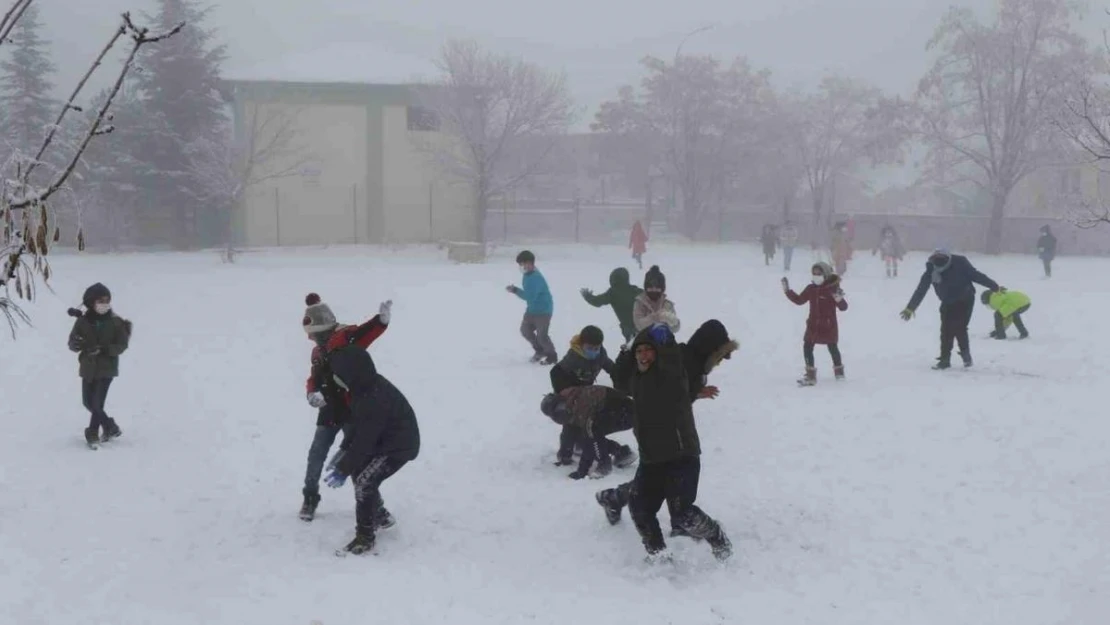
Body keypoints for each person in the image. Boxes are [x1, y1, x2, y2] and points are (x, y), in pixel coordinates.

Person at [593, 324, 731, 562]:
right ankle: (658, 555)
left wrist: (663, 338)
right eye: (640, 352)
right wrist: (628, 350)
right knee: (639, 508)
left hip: (681, 455)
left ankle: (716, 537)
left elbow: (673, 360)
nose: (644, 355)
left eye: (649, 350)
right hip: (652, 457)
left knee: (682, 514)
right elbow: (619, 378)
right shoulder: (637, 380)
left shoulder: (670, 371)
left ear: (658, 353)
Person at [314, 300, 420, 556]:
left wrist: (343, 466)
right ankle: (380, 515)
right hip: (384, 439)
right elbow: (357, 433)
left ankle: (365, 537)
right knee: (360, 471)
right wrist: (343, 452)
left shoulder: (372, 398)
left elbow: (365, 440)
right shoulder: (362, 390)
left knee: (363, 481)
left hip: (399, 446)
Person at [298, 293, 390, 522]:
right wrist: (312, 393)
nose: (311, 339)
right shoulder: (318, 351)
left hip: (353, 411)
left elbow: (366, 332)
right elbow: (314, 377)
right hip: (329, 411)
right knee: (316, 455)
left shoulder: (347, 338)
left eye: (314, 334)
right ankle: (310, 497)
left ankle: (377, 508)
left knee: (357, 459)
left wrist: (380, 321)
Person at [900, 248, 1002, 369]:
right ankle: (945, 360)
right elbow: (921, 289)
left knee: (959, 327)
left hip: (965, 298)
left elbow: (976, 276)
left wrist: (995, 287)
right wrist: (910, 308)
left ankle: (965, 355)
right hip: (947, 301)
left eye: (942, 263)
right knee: (945, 330)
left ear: (948, 259)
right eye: (936, 263)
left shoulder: (960, 263)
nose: (940, 266)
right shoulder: (931, 270)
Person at [66, 283, 131, 448]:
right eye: (100, 300)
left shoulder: (117, 322)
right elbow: (72, 342)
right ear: (90, 302)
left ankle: (92, 432)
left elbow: (121, 345)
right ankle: (110, 426)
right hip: (87, 367)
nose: (104, 304)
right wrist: (76, 344)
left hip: (107, 368)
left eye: (107, 300)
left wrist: (103, 350)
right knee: (88, 402)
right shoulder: (82, 322)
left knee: (96, 403)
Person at [549, 325, 624, 466]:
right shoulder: (573, 357)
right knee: (570, 424)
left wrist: (620, 379)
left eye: (597, 348)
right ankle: (565, 453)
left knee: (586, 427)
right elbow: (555, 372)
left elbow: (610, 367)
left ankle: (613, 450)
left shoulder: (600, 354)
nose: (594, 351)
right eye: (590, 348)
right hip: (571, 397)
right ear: (582, 344)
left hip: (588, 397)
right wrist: (564, 390)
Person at [540, 386, 637, 480]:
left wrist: (582, 471)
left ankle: (604, 464)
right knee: (583, 432)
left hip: (626, 413)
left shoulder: (581, 404)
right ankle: (622, 452)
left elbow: (589, 439)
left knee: (591, 432)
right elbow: (568, 431)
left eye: (559, 408)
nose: (560, 411)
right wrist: (565, 455)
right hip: (613, 411)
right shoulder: (570, 403)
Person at [783, 262, 848, 386]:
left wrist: (839, 299)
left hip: (828, 326)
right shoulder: (811, 289)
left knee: (832, 348)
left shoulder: (832, 289)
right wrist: (788, 291)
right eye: (814, 274)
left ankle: (839, 372)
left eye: (819, 274)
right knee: (807, 346)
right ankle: (810, 375)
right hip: (813, 325)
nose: (816, 276)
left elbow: (844, 307)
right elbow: (799, 300)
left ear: (825, 274)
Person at [506, 250, 557, 364]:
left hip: (543, 311)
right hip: (532, 310)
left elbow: (530, 296)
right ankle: (540, 351)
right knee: (525, 330)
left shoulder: (536, 278)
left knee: (542, 336)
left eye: (523, 264)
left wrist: (515, 290)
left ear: (530, 263)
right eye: (520, 264)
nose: (521, 266)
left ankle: (552, 356)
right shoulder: (527, 275)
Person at [580, 268, 643, 342]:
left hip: (629, 330)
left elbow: (597, 302)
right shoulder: (636, 290)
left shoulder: (613, 293)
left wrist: (587, 296)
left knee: (635, 349)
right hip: (644, 326)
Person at [632, 265, 680, 334]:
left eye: (657, 288)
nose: (654, 290)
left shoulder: (667, 304)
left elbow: (674, 329)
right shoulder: (640, 303)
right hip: (644, 340)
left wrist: (675, 322)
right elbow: (639, 325)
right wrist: (657, 317)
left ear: (662, 289)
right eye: (650, 288)